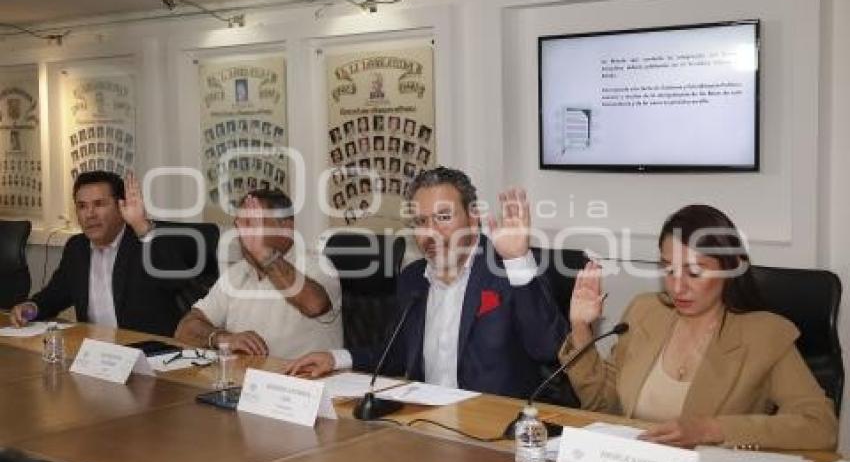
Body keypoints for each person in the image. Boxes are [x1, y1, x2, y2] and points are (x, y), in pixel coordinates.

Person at [562, 204, 837, 451]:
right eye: (669, 270)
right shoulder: (645, 312)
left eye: (694, 272)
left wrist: (712, 430)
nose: (677, 287)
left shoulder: (764, 335)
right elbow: (604, 405)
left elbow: (820, 426)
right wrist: (581, 327)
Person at [285, 167, 566, 399]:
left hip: (494, 426)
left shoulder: (509, 271)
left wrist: (517, 260)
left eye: (443, 217)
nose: (430, 232)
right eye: (421, 221)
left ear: (473, 218)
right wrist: (336, 358)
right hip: (428, 421)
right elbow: (397, 353)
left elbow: (549, 349)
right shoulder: (413, 279)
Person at [9, 171, 195, 336]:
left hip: (147, 351)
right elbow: (55, 295)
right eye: (82, 206)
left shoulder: (144, 243)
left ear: (121, 207)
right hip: (95, 352)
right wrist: (31, 307)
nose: (90, 214)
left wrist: (142, 227)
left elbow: (178, 282)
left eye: (99, 204)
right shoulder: (77, 247)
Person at [174, 189, 342, 358]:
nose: (243, 235)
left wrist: (265, 256)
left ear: (286, 227)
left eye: (254, 225)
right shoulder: (237, 273)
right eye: (240, 226)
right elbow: (184, 331)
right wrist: (221, 338)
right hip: (244, 373)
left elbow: (315, 305)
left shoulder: (317, 265)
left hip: (302, 374)